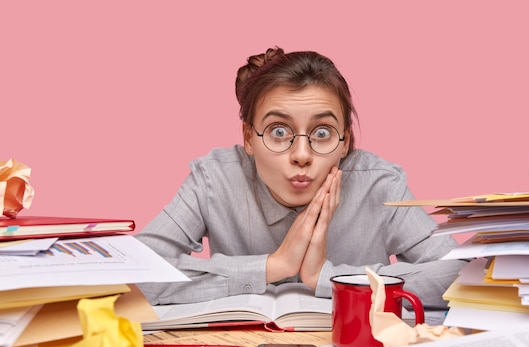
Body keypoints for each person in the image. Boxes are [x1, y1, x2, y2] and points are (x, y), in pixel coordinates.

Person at [136, 46, 466, 309]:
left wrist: (327, 278)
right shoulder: (214, 178)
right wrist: (272, 266)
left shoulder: (379, 184)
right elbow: (133, 274)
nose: (302, 155)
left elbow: (459, 275)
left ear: (345, 142)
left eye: (322, 132)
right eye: (279, 131)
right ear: (249, 138)